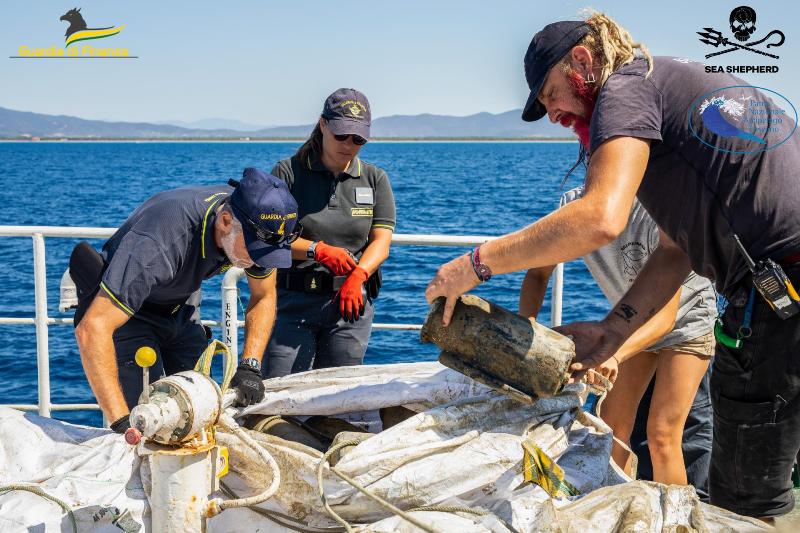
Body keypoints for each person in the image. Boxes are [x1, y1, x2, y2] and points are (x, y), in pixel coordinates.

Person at [426, 12, 800, 521]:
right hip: (777, 289)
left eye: (551, 94)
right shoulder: (666, 83)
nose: (553, 113)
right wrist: (614, 329)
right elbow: (675, 250)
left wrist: (474, 264)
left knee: (743, 506)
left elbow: (601, 217)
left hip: (781, 299)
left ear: (583, 60)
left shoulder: (626, 88)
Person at [72, 167, 299, 432]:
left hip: (181, 306)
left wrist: (250, 367)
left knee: (201, 411)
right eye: (256, 252)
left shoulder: (255, 222)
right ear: (225, 221)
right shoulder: (159, 242)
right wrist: (122, 422)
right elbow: (92, 328)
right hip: (131, 315)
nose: (260, 261)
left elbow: (264, 294)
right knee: (150, 423)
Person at [520, 185, 715, 493]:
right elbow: (537, 274)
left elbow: (664, 319)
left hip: (687, 324)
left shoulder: (662, 206)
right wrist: (525, 333)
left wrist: (613, 354)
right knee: (611, 427)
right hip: (631, 325)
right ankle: (619, 509)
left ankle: (678, 523)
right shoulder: (574, 205)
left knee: (662, 435)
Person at [263, 88, 396, 378]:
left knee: (339, 397)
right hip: (293, 303)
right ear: (323, 125)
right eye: (341, 135)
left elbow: (381, 242)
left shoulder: (375, 179)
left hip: (350, 306)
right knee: (279, 391)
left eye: (358, 138)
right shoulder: (287, 173)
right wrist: (318, 250)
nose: (349, 144)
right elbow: (272, 240)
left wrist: (359, 275)